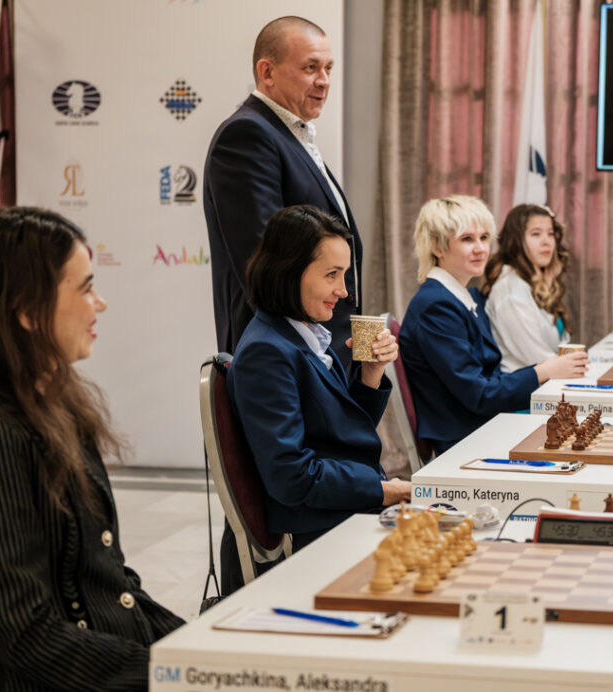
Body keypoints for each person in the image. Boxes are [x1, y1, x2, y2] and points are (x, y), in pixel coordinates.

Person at [0, 208, 183, 691]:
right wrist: (173, 674)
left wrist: (204, 654)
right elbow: (25, 636)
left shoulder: (57, 408)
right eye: (84, 288)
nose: (100, 303)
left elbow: (112, 587)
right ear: (27, 310)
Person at [227, 205, 411, 581]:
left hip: (342, 507)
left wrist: (371, 373)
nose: (343, 292)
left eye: (344, 275)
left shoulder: (302, 334)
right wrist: (382, 491)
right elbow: (292, 476)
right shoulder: (268, 352)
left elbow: (341, 435)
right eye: (332, 275)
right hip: (322, 528)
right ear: (289, 271)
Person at [203, 15, 360, 368]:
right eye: (310, 67)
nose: (324, 81)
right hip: (286, 362)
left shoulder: (290, 134)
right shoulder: (247, 136)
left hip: (324, 355)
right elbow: (265, 264)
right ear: (267, 72)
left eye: (329, 68)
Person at [399, 195, 545, 455]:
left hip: (481, 426)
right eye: (467, 239)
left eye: (484, 238)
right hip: (465, 439)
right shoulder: (436, 306)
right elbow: (479, 395)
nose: (480, 248)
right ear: (437, 247)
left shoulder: (462, 297)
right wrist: (542, 372)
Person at [483, 203, 588, 376]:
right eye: (536, 234)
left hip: (548, 385)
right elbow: (538, 359)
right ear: (516, 241)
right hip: (527, 395)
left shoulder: (534, 283)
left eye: (551, 234)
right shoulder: (510, 292)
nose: (546, 241)